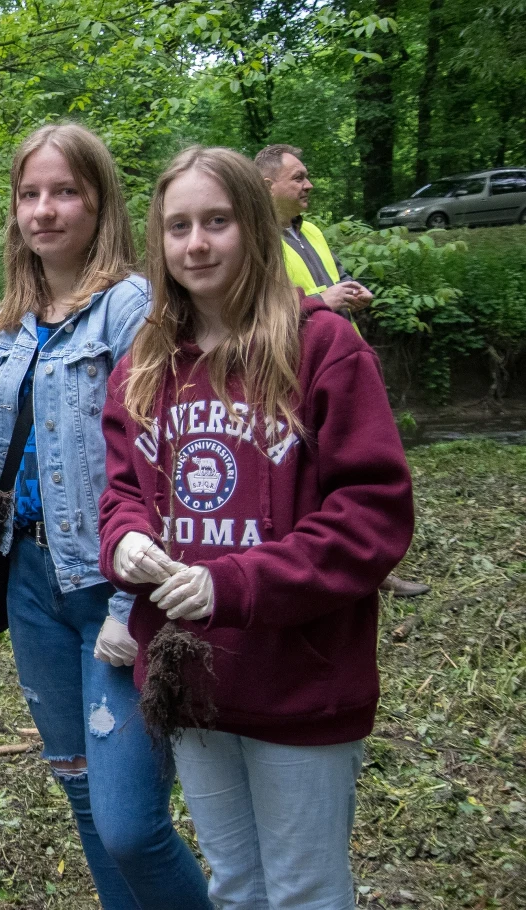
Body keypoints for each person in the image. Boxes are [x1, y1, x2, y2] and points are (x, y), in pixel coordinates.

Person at [98, 146, 415, 909]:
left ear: (254, 226)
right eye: (178, 226)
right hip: (194, 677)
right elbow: (122, 492)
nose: (196, 244)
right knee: (236, 885)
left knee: (304, 891)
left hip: (301, 677)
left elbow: (372, 515)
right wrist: (126, 540)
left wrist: (232, 584)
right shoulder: (145, 363)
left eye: (217, 221)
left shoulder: (323, 348)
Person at [0, 124, 210, 910]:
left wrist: (129, 604)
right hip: (31, 584)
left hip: (113, 583)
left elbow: (165, 465)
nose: (44, 210)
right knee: (83, 798)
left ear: (99, 202)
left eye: (64, 192)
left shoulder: (132, 309)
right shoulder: (4, 328)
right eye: (29, 194)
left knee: (132, 826)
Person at [255, 143, 429, 598]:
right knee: (311, 474)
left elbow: (334, 278)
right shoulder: (254, 240)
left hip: (343, 363)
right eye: (298, 177)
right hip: (292, 372)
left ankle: (372, 567)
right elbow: (256, 312)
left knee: (357, 467)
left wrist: (353, 290)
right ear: (268, 186)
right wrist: (321, 301)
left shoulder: (310, 231)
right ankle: (325, 569)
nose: (308, 185)